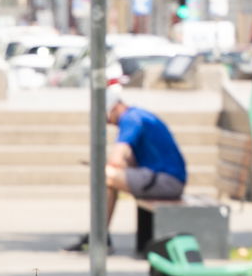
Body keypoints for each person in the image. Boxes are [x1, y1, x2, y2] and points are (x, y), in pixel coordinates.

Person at [72, 83, 189, 251]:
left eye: (105, 116)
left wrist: (106, 166)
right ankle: (100, 234)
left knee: (107, 176)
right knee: (109, 177)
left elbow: (117, 158)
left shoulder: (130, 119)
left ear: (114, 108)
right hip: (164, 178)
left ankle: (99, 236)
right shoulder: (139, 115)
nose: (107, 122)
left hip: (167, 180)